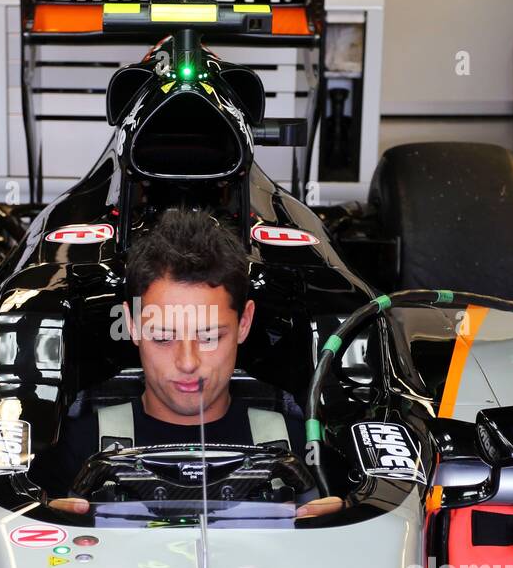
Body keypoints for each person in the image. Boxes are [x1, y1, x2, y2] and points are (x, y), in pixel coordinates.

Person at [35, 209, 342, 518]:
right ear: (133, 325)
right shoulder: (77, 449)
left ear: (245, 323)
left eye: (208, 337)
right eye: (163, 337)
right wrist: (54, 524)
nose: (187, 362)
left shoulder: (297, 445)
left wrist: (332, 528)